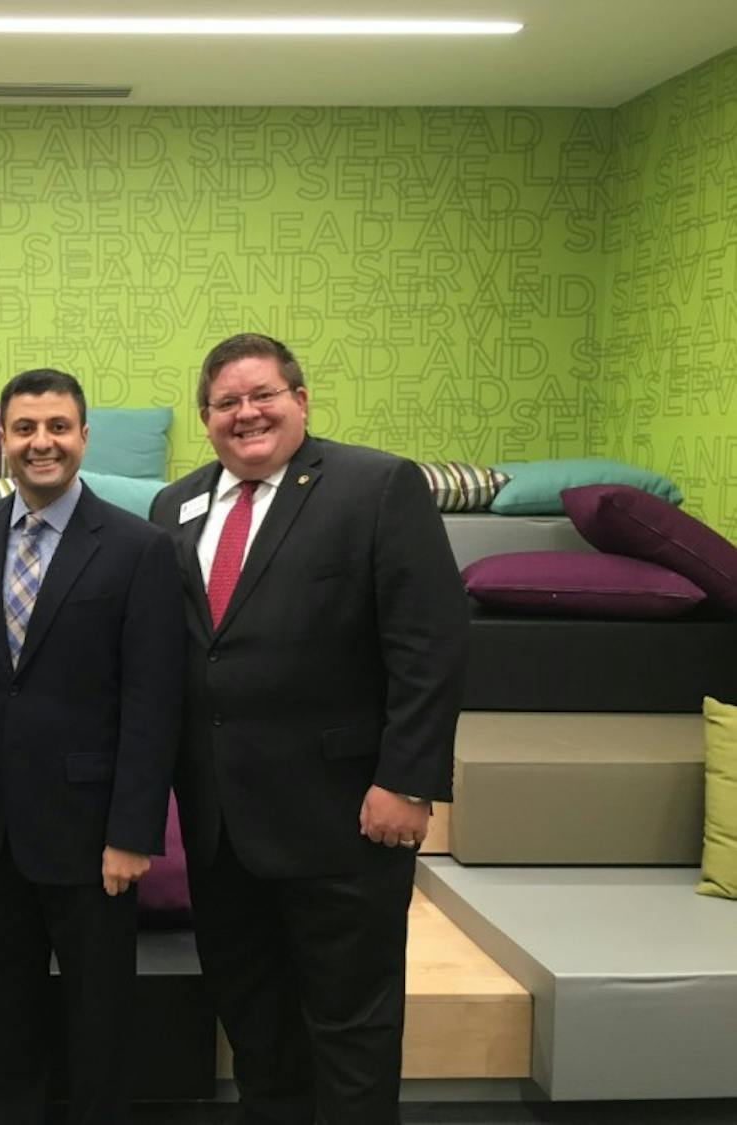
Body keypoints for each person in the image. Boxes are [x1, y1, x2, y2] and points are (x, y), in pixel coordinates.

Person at [148, 333, 469, 1124]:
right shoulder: (173, 506)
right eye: (226, 403)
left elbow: (430, 644)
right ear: (206, 418)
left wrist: (407, 779)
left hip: (344, 816)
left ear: (301, 400)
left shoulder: (376, 485)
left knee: (350, 1026)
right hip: (221, 825)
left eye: (263, 394)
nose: (246, 413)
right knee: (256, 1025)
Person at [0, 369, 184, 1125]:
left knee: (99, 1021)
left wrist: (132, 833)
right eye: (24, 428)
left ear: (84, 436)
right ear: (2, 439)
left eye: (56, 426)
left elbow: (153, 702)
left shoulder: (139, 546)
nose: (39, 442)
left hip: (93, 837)